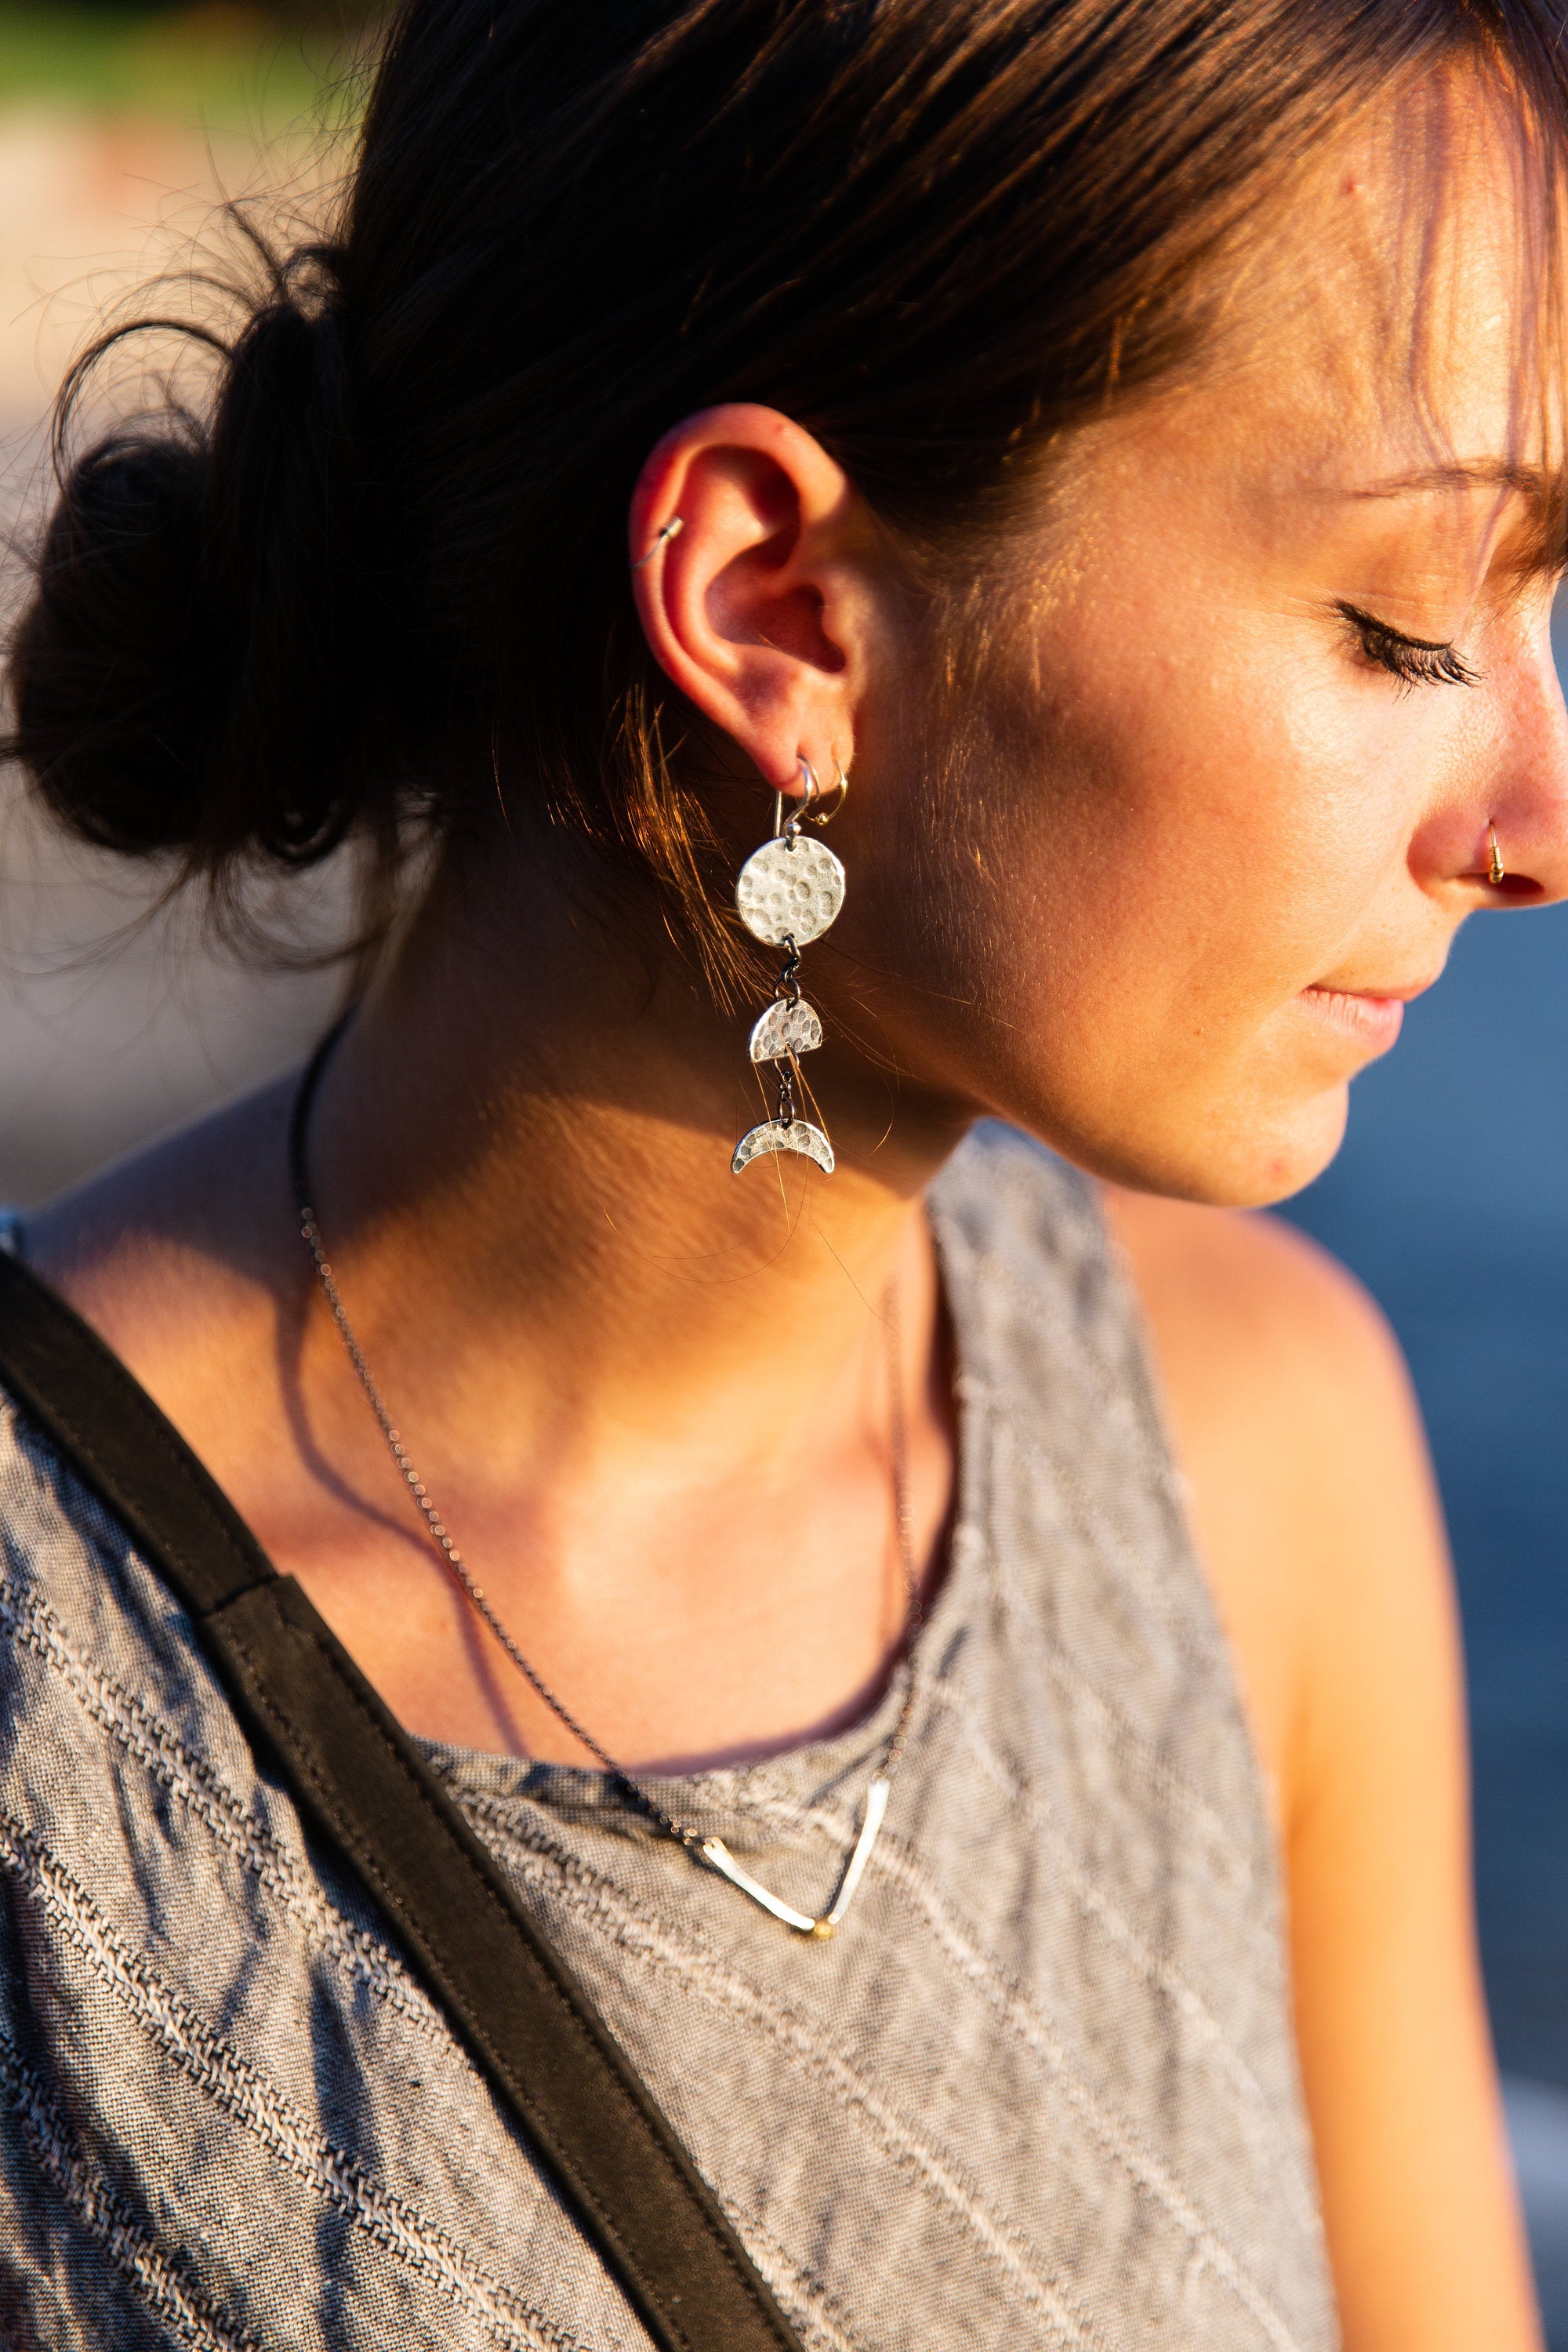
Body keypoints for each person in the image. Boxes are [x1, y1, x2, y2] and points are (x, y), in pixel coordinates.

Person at [0, 0, 1561, 2343]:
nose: (1536, 822)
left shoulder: (1256, 1459)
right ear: (774, 608)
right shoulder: (48, 1711)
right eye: (1402, 623)